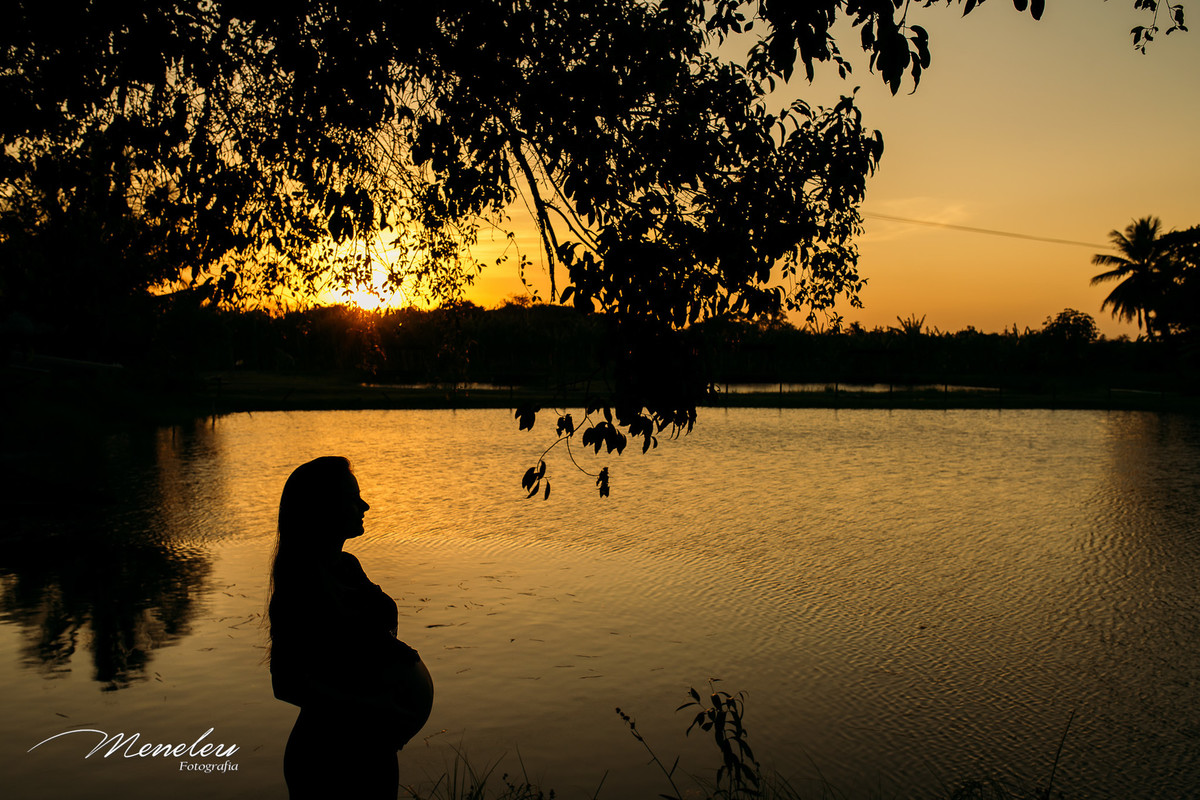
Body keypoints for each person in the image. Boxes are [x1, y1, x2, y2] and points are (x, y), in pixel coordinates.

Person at [267, 456, 434, 799]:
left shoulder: (346, 566)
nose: (365, 505)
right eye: (353, 498)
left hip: (371, 743)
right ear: (323, 508)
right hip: (331, 754)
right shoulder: (299, 586)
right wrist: (371, 706)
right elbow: (286, 683)